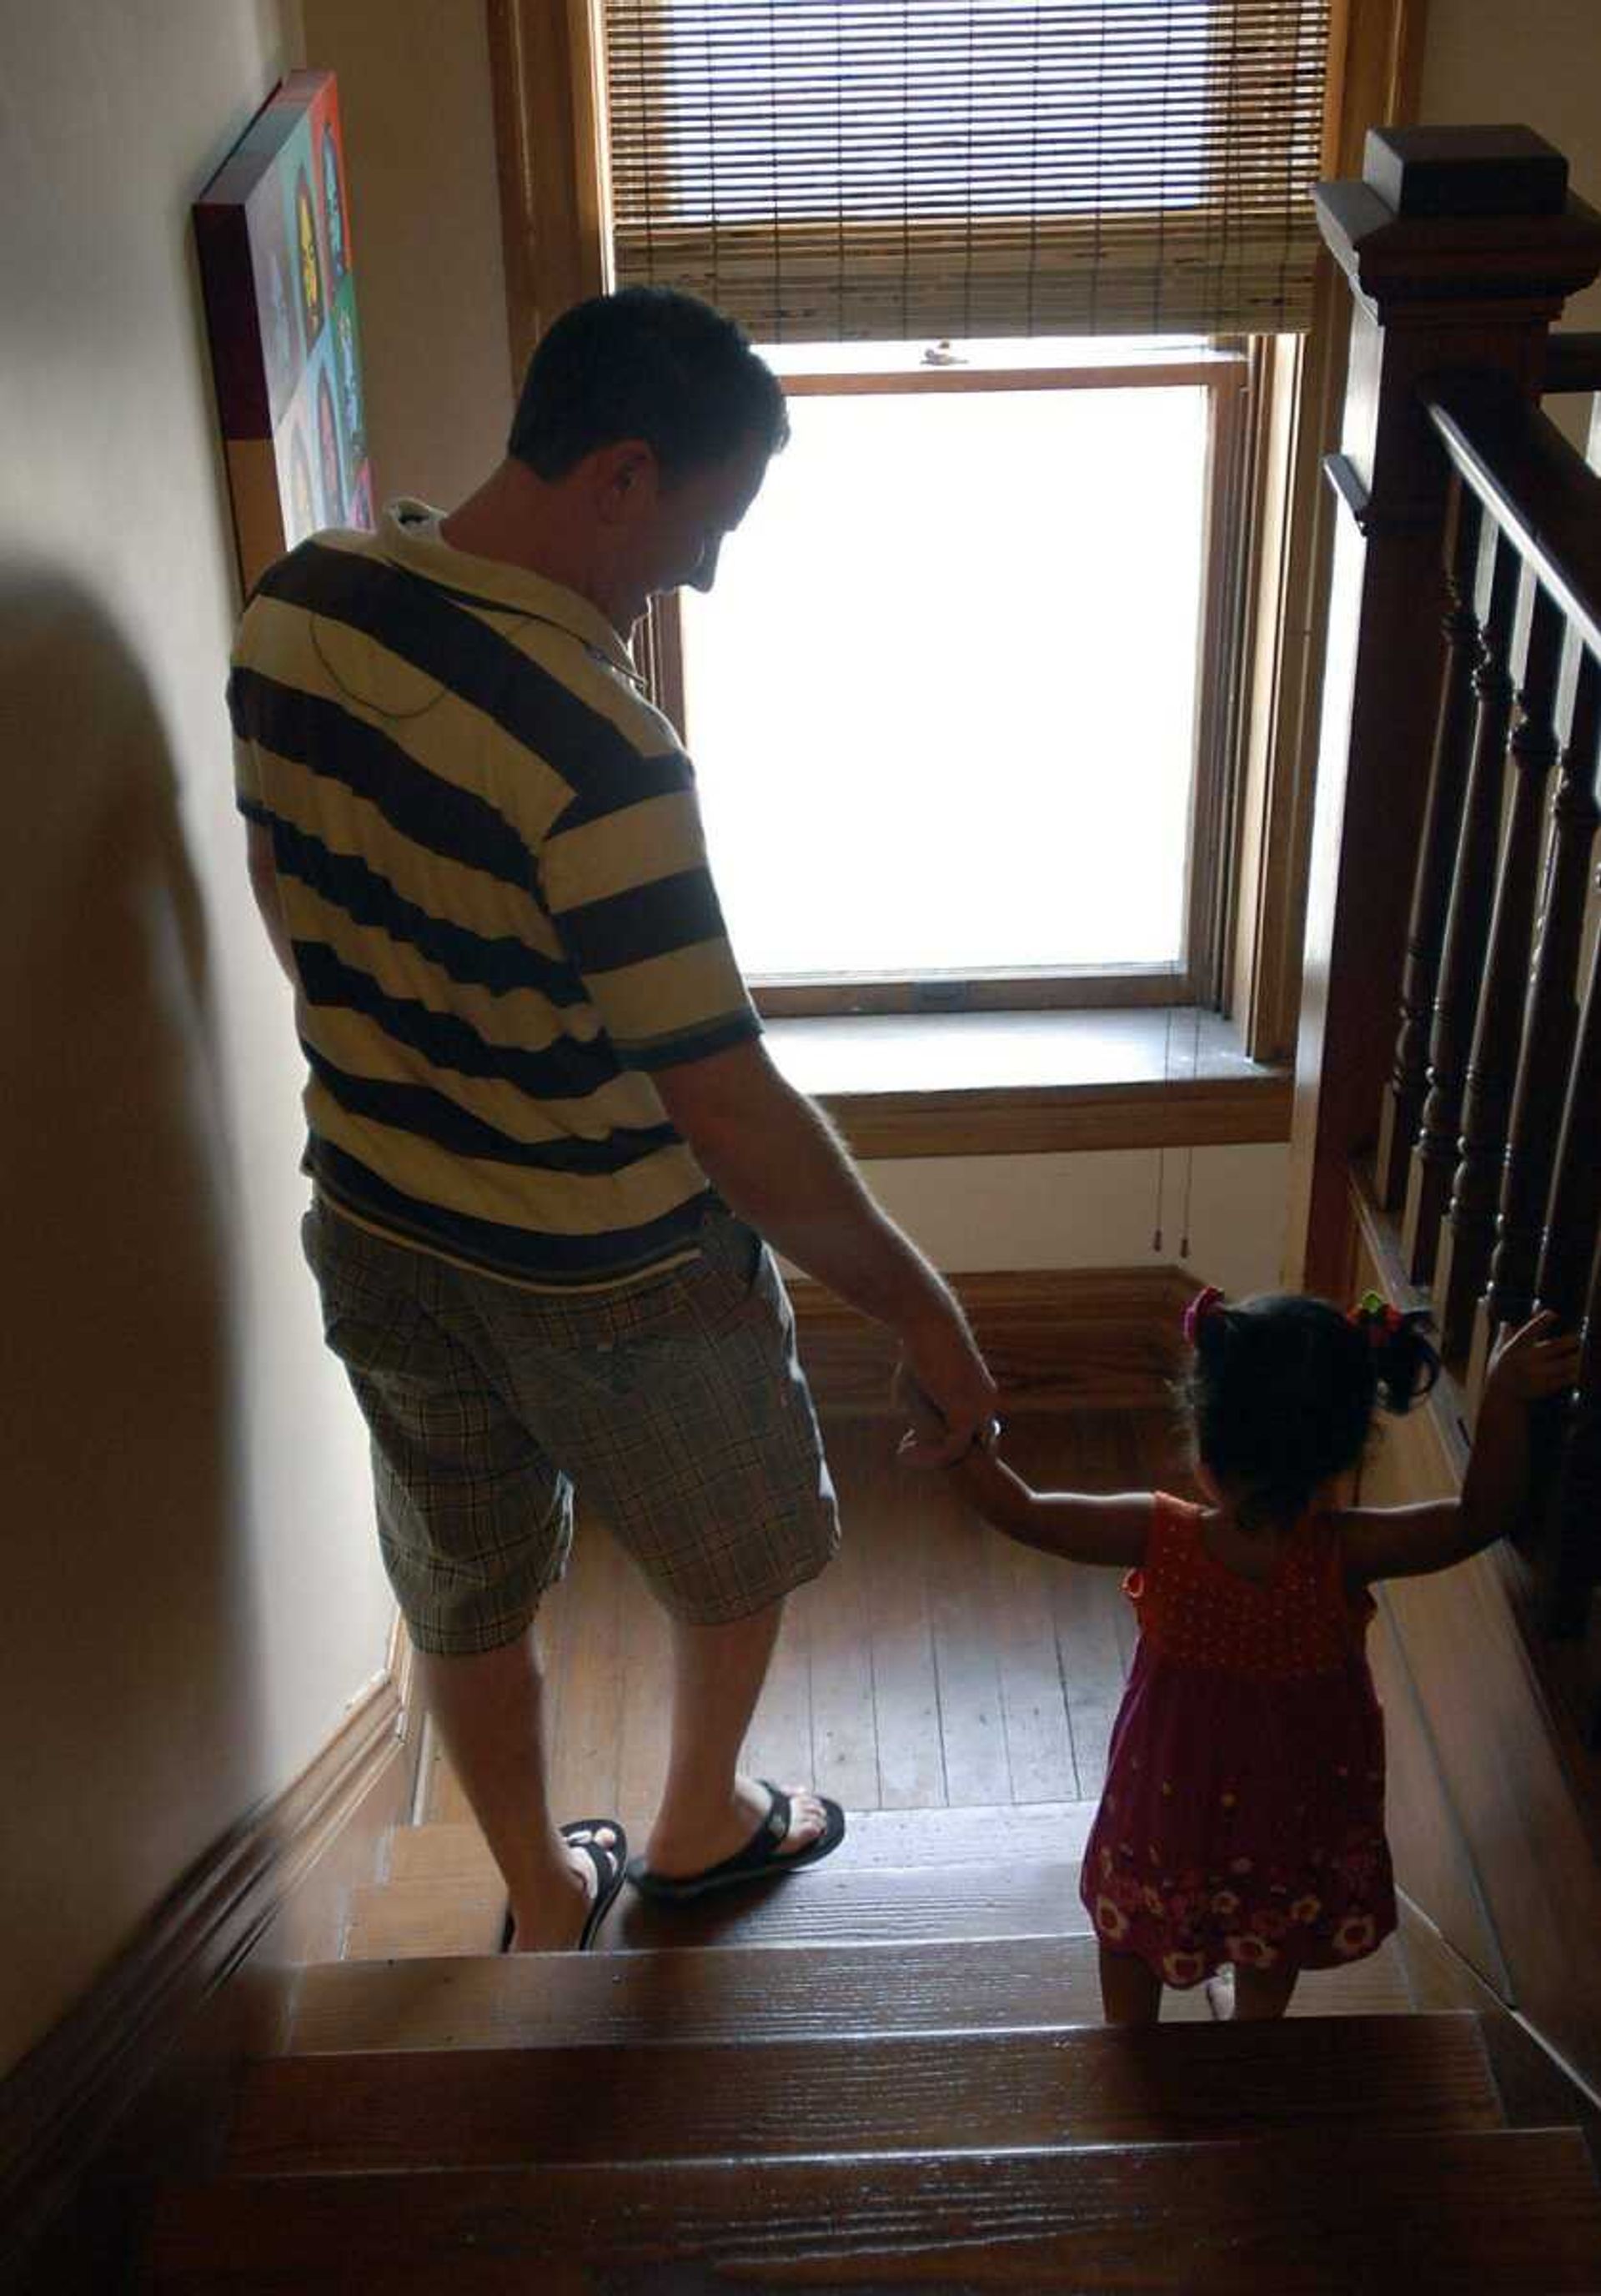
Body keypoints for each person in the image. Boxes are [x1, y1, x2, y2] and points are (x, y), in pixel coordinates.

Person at [230, 286, 996, 1953]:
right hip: (617, 1266)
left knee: (467, 1572)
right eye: (707, 526)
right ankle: (700, 1821)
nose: (699, 572)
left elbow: (283, 885)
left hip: (376, 1213)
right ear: (626, 477)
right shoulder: (603, 757)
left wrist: (416, 1058)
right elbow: (728, 1107)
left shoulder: (300, 604)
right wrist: (922, 1310)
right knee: (739, 1542)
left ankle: (541, 1889)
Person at [901, 1289, 1578, 2023]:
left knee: (1131, 1934)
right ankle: (1256, 2036)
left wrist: (950, 1434)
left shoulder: (1160, 1535)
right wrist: (1506, 1398)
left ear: (1204, 1445)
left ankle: (1133, 2041)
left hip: (1166, 1799)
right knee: (1273, 1927)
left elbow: (1023, 1511)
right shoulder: (1348, 1553)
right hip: (1295, 1809)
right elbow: (1481, 1515)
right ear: (1342, 1454)